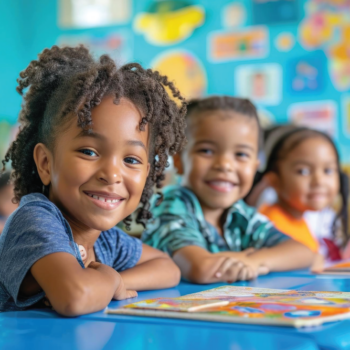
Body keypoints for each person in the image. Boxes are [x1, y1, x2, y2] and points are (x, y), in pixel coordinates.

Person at [0, 45, 186, 315]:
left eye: (131, 160)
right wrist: (109, 279)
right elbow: (75, 297)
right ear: (45, 163)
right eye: (89, 152)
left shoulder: (105, 240)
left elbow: (168, 268)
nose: (111, 175)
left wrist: (117, 280)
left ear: (148, 172)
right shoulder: (35, 221)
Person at [142, 96, 314, 284]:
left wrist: (254, 261)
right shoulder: (169, 205)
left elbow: (304, 253)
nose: (225, 165)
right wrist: (262, 259)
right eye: (206, 151)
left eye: (241, 154)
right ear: (179, 161)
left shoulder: (240, 213)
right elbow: (201, 268)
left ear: (255, 166)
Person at [257, 126, 349, 263]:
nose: (319, 181)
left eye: (328, 170)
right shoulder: (271, 225)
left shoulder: (301, 220)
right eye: (303, 171)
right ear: (275, 180)